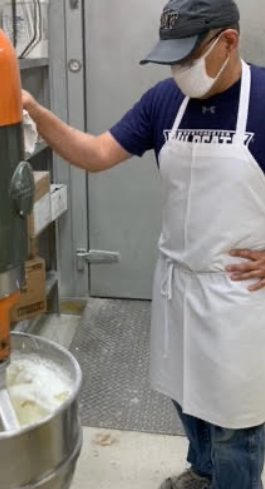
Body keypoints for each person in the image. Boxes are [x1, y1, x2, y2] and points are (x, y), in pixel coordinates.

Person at [22, 0, 265, 488]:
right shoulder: (164, 101)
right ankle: (203, 472)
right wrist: (31, 108)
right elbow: (94, 154)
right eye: (172, 60)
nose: (180, 71)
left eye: (188, 59)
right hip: (178, 281)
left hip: (239, 292)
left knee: (235, 425)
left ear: (229, 41)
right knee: (186, 395)